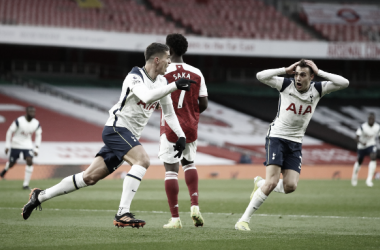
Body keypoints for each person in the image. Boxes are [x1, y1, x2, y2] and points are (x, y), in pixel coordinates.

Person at [21, 43, 196, 229]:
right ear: (156, 59)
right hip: (116, 129)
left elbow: (168, 113)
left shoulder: (161, 83)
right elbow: (146, 97)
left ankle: (40, 196)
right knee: (143, 161)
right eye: (168, 58)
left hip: (128, 136)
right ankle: (122, 212)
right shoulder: (135, 77)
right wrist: (174, 86)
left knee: (88, 178)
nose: (170, 62)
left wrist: (180, 136)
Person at [235, 59, 349, 231]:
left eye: (303, 75)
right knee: (272, 182)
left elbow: (344, 83)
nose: (298, 78)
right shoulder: (286, 85)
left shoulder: (318, 89)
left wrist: (320, 73)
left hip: (296, 142)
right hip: (277, 137)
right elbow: (260, 76)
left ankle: (260, 184)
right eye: (296, 74)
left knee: (290, 186)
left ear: (311, 77)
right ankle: (243, 221)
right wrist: (284, 69)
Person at [158, 33, 208, 229]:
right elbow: (203, 103)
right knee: (189, 163)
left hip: (171, 126)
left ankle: (175, 219)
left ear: (168, 50)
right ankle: (195, 206)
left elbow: (154, 98)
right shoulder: (197, 72)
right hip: (190, 126)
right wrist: (191, 113)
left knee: (171, 171)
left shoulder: (163, 71)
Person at [0, 106, 42, 190]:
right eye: (30, 112)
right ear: (26, 112)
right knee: (12, 163)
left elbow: (38, 135)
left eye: (33, 112)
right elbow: (9, 131)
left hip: (27, 145)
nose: (32, 113)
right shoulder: (19, 121)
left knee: (29, 161)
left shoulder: (36, 123)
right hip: (16, 144)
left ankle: (25, 184)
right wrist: (7, 145)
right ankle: (4, 171)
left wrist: (37, 148)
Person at [351, 113, 379, 187]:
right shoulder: (363, 127)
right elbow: (356, 138)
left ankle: (369, 180)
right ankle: (355, 175)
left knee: (373, 157)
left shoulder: (377, 127)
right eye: (369, 119)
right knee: (360, 161)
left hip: (371, 144)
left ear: (374, 119)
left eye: (372, 119)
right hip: (362, 146)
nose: (371, 120)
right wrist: (361, 142)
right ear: (368, 119)